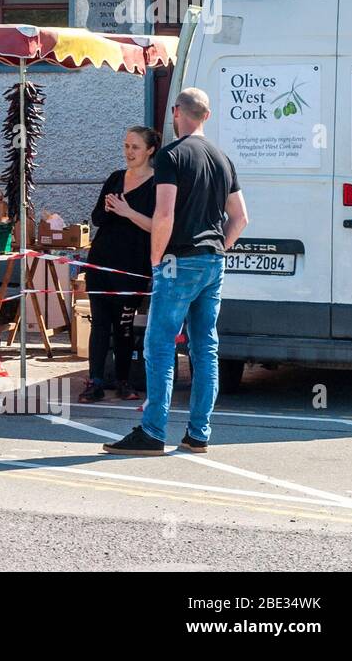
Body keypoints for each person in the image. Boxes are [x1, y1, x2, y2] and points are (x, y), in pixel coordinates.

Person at [104, 89, 248, 456]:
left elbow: (164, 215)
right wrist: (218, 249)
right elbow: (241, 217)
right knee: (206, 349)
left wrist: (156, 261)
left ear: (176, 113)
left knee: (160, 346)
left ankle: (152, 432)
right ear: (207, 115)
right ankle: (199, 433)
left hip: (178, 260)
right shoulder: (221, 158)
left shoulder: (171, 156)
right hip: (213, 261)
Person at [79, 126, 159, 403]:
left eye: (135, 147)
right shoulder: (115, 178)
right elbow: (97, 218)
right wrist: (109, 208)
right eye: (126, 146)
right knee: (99, 323)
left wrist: (127, 211)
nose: (129, 152)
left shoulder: (157, 183)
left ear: (150, 150)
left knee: (123, 326)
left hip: (132, 265)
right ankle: (95, 381)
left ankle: (124, 380)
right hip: (102, 262)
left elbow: (157, 226)